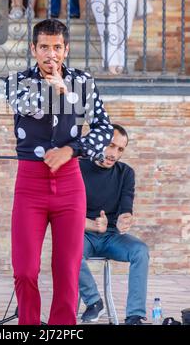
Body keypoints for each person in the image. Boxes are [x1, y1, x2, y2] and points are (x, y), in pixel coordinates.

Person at [5, 19, 113, 325]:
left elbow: (104, 127)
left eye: (56, 47)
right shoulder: (16, 82)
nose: (50, 54)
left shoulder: (84, 82)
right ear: (33, 49)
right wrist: (57, 91)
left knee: (67, 270)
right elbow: (30, 108)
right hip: (30, 184)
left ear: (66, 49)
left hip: (69, 183)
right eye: (44, 47)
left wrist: (71, 150)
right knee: (25, 269)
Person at [78, 124, 149, 325]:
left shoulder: (126, 173)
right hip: (82, 235)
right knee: (67, 249)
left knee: (140, 251)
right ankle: (94, 301)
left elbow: (126, 204)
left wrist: (124, 218)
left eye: (120, 149)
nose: (114, 153)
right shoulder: (76, 168)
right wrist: (91, 224)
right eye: (111, 145)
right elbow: (65, 214)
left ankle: (134, 316)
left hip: (112, 237)